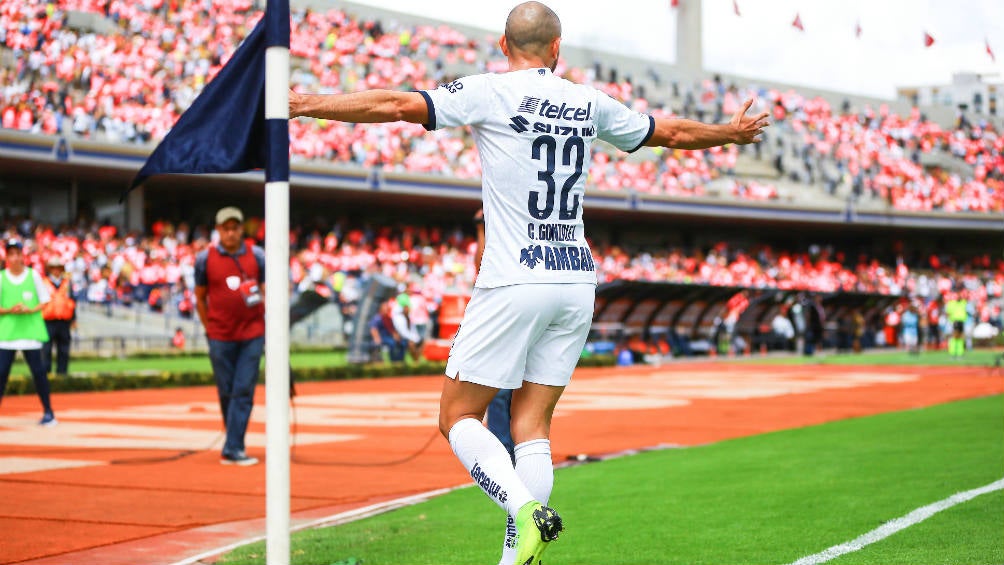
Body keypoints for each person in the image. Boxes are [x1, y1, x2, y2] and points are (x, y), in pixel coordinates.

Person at [289, 3, 766, 562]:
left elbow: (396, 103)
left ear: (501, 44)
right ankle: (526, 553)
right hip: (575, 279)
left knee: (457, 417)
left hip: (515, 276)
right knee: (532, 423)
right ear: (557, 48)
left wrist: (305, 104)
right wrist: (731, 135)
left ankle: (522, 511)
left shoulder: (489, 91)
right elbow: (673, 132)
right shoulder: (588, 102)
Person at [194, 207, 266, 466]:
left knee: (243, 389)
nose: (231, 233)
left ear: (241, 230)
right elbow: (200, 297)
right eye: (226, 228)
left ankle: (234, 447)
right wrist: (209, 326)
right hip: (220, 335)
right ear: (219, 230)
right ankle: (233, 441)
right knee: (226, 391)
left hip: (252, 333)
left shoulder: (257, 256)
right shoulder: (205, 259)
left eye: (235, 228)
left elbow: (267, 290)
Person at [0, 239, 57, 425]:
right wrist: (10, 310)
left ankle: (48, 412)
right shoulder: (1, 277)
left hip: (31, 332)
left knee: (39, 373)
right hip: (7, 334)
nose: (15, 258)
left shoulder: (33, 276)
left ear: (22, 256)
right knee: (1, 373)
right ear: (7, 257)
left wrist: (30, 309)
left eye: (17, 253)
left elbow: (45, 300)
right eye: (11, 254)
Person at [41, 256, 76, 378]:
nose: (56, 270)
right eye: (53, 268)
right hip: (48, 320)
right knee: (46, 349)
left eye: (58, 268)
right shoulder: (43, 282)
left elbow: (72, 301)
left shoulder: (67, 283)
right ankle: (46, 374)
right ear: (50, 269)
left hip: (64, 320)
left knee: (64, 349)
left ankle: (62, 374)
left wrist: (74, 319)